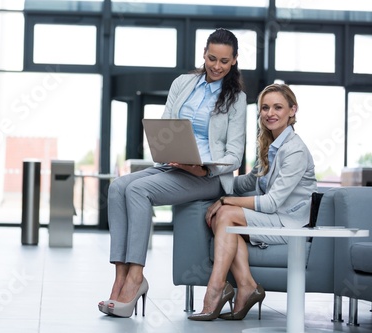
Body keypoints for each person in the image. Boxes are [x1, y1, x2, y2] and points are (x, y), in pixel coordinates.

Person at [97, 28, 247, 318]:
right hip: (174, 165)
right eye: (212, 58)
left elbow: (234, 155)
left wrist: (203, 166)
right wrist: (171, 151)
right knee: (118, 187)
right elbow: (166, 126)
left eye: (224, 61)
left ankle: (136, 278)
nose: (217, 66)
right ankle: (120, 277)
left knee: (138, 190)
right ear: (204, 54)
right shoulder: (183, 83)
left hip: (208, 177)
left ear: (234, 61)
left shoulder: (236, 99)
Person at [188, 83, 317, 321]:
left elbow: (271, 203)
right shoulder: (270, 146)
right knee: (224, 218)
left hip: (289, 224)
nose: (270, 113)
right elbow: (248, 182)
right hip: (272, 218)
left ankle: (215, 289)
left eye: (278, 107)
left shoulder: (295, 151)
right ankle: (246, 286)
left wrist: (226, 200)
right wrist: (210, 174)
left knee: (225, 215)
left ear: (292, 110)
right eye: (265, 108)